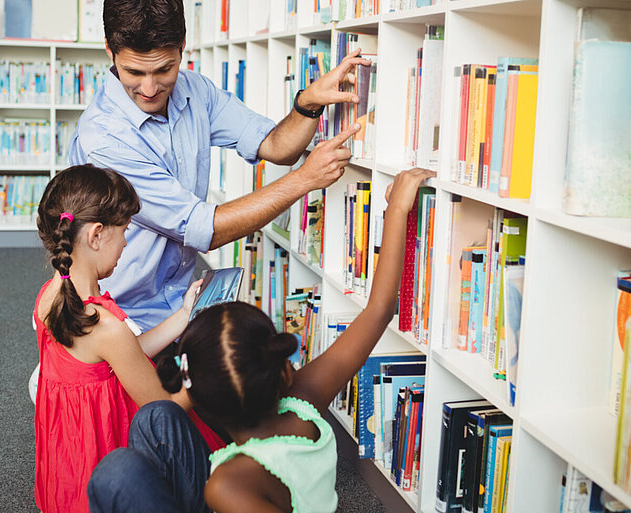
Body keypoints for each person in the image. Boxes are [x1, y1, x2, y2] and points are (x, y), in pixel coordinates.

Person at [87, 167, 437, 513]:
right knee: (156, 416)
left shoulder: (227, 484)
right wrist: (397, 211)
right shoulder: (305, 402)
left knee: (116, 473)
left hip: (242, 491)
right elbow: (379, 310)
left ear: (200, 403)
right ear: (276, 367)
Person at [68, 0, 371, 331]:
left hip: (178, 304)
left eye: (164, 69)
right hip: (115, 315)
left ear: (183, 47)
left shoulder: (196, 90)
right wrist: (303, 180)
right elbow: (203, 229)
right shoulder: (105, 139)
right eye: (134, 72)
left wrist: (308, 104)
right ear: (110, 51)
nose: (150, 89)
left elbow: (275, 145)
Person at [32, 164, 222, 513]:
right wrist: (209, 375)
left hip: (70, 453)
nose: (125, 243)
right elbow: (166, 406)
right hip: (106, 449)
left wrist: (182, 317)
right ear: (97, 235)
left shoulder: (51, 296)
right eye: (125, 232)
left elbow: (123, 357)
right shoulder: (105, 327)